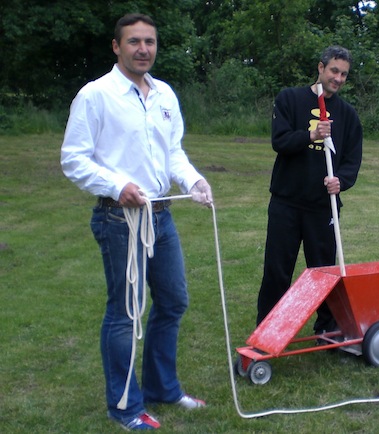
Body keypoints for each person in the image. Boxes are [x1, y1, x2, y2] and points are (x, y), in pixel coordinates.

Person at [61, 13, 212, 431]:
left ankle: (163, 388)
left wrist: (194, 180)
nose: (143, 49)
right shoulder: (96, 95)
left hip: (161, 216)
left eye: (149, 42)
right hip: (119, 219)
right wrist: (117, 185)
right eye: (134, 42)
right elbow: (73, 159)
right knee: (126, 313)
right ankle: (125, 406)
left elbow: (173, 152)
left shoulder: (164, 94)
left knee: (174, 300)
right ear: (117, 47)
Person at [256, 46, 363, 335]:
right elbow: (280, 141)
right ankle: (268, 329)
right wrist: (312, 134)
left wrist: (341, 181)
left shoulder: (348, 115)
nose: (338, 78)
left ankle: (326, 329)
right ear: (321, 67)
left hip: (323, 206)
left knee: (323, 272)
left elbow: (352, 160)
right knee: (277, 270)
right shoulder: (289, 99)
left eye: (344, 74)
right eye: (334, 71)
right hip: (287, 202)